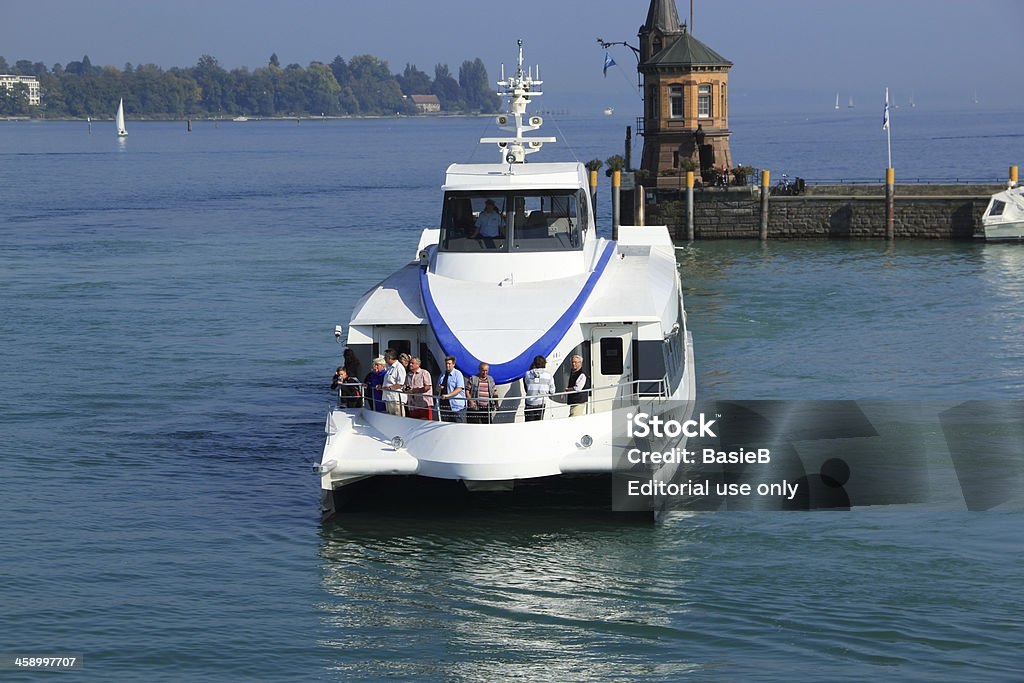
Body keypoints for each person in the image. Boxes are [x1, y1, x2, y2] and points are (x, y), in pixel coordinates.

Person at [523, 355, 555, 422]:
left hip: (529, 402)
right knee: (538, 423)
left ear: (534, 364)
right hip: (541, 402)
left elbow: (526, 387)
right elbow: (552, 391)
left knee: (528, 424)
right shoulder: (548, 375)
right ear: (544, 364)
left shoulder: (527, 374)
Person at [436, 355, 467, 423]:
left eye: (449, 364)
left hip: (456, 406)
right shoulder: (443, 374)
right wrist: (439, 388)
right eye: (446, 363)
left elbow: (459, 389)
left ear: (453, 364)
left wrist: (447, 395)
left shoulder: (458, 374)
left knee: (458, 425)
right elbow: (437, 389)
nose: (447, 365)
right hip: (444, 405)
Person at [404, 356, 434, 420]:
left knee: (425, 423)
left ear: (418, 364)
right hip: (412, 405)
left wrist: (415, 390)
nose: (410, 365)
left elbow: (427, 387)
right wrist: (406, 389)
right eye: (410, 363)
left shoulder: (424, 373)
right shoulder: (408, 375)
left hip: (424, 405)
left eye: (412, 363)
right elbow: (405, 387)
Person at [382, 349, 408, 417]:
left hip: (396, 399)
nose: (384, 358)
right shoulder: (390, 368)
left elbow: (400, 384)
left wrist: (389, 388)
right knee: (390, 419)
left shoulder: (399, 367)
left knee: (398, 419)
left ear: (389, 357)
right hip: (389, 398)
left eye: (385, 357)